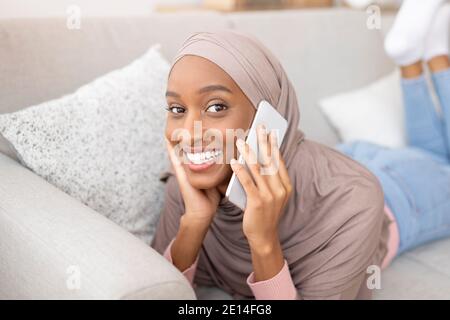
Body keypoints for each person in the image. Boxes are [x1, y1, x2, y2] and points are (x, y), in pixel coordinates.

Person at [151, 29, 392, 300]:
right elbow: (156, 294)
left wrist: (264, 242)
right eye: (177, 109)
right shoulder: (186, 188)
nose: (189, 134)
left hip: (397, 191)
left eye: (216, 107)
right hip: (317, 159)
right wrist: (193, 222)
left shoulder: (354, 200)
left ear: (268, 115)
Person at [336, 3, 450, 265]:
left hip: (396, 179)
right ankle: (426, 57)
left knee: (432, 153)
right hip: (393, 176)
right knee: (434, 153)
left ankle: (424, 57)